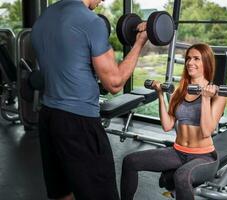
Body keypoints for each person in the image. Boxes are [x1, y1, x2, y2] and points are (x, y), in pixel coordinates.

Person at [31, 0, 148, 200]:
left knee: (61, 193)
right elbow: (114, 83)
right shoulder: (91, 22)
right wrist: (139, 43)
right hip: (79, 123)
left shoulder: (44, 18)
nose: (102, 0)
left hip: (48, 118)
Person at [120, 43, 227, 200]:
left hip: (204, 157)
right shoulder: (181, 90)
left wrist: (205, 98)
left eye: (196, 58)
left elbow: (206, 131)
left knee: (181, 177)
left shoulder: (218, 94)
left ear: (206, 62)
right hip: (178, 152)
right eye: (188, 58)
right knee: (130, 161)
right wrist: (160, 95)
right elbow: (167, 125)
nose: (190, 62)